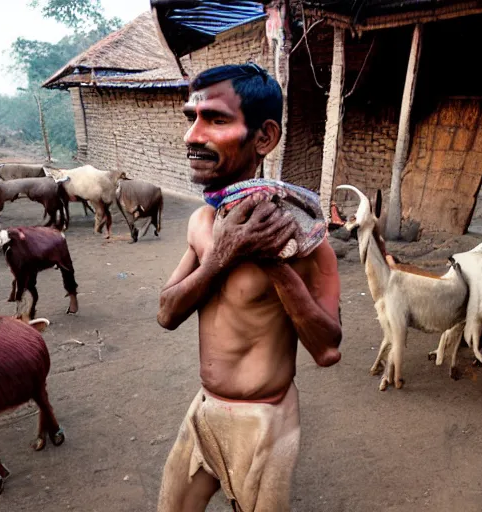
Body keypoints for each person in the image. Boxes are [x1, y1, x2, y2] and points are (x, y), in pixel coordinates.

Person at [157, 63, 342, 512]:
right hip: (205, 409)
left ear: (264, 138)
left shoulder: (303, 235)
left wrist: (273, 262)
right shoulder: (203, 223)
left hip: (266, 419)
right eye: (191, 118)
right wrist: (222, 255)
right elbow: (166, 313)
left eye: (215, 119)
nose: (192, 136)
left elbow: (327, 350)